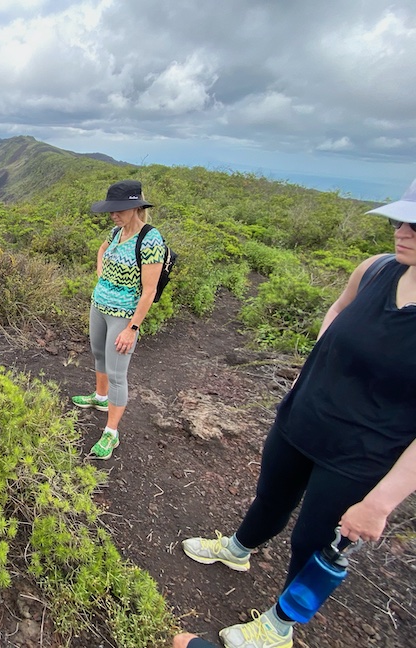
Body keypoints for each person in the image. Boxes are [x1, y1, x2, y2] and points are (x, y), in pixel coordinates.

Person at [180, 177, 416, 648]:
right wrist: (318, 364)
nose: (402, 230)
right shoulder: (374, 270)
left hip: (359, 454)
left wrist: (381, 502)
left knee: (313, 540)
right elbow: (337, 309)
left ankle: (279, 626)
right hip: (302, 419)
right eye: (400, 219)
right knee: (271, 497)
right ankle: (238, 549)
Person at [71, 179, 165, 459]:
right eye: (111, 210)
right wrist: (102, 274)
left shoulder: (150, 239)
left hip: (123, 316)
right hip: (98, 306)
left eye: (119, 209)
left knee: (117, 374)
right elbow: (102, 250)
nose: (114, 215)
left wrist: (132, 328)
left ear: (136, 207)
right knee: (99, 355)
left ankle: (111, 432)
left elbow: (149, 291)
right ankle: (100, 399)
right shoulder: (116, 232)